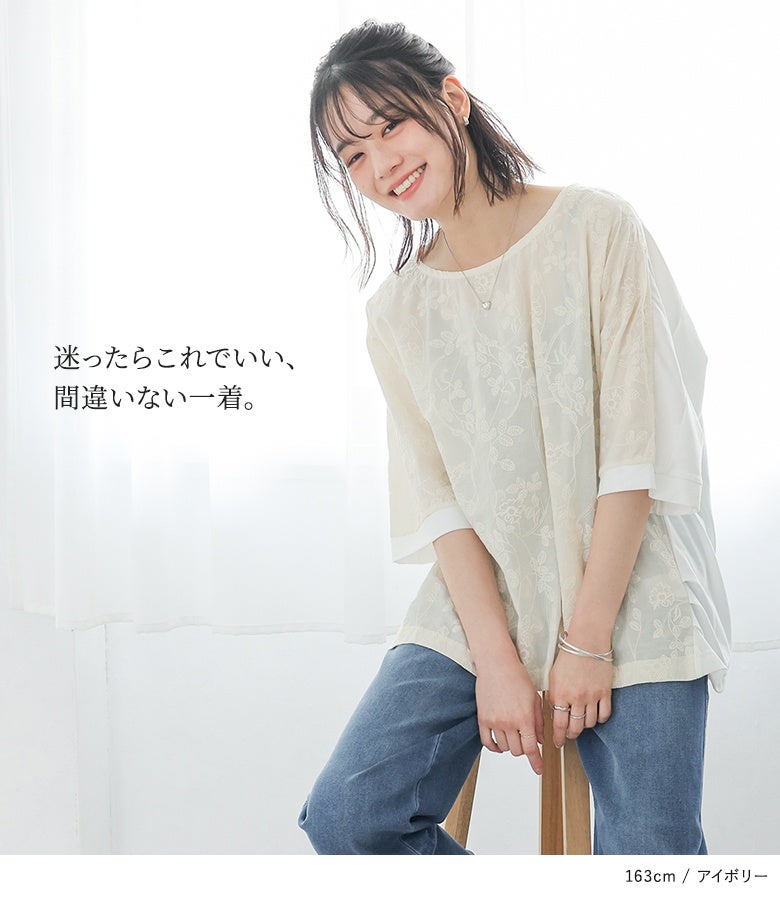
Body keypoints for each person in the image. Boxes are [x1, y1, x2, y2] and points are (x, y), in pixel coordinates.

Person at [298, 19, 731, 855]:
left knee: (652, 855)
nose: (381, 163)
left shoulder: (597, 228)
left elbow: (635, 454)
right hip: (484, 598)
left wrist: (586, 640)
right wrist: (496, 660)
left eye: (392, 125)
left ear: (452, 101)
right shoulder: (397, 314)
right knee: (351, 818)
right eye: (353, 155)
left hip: (629, 582)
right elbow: (441, 504)